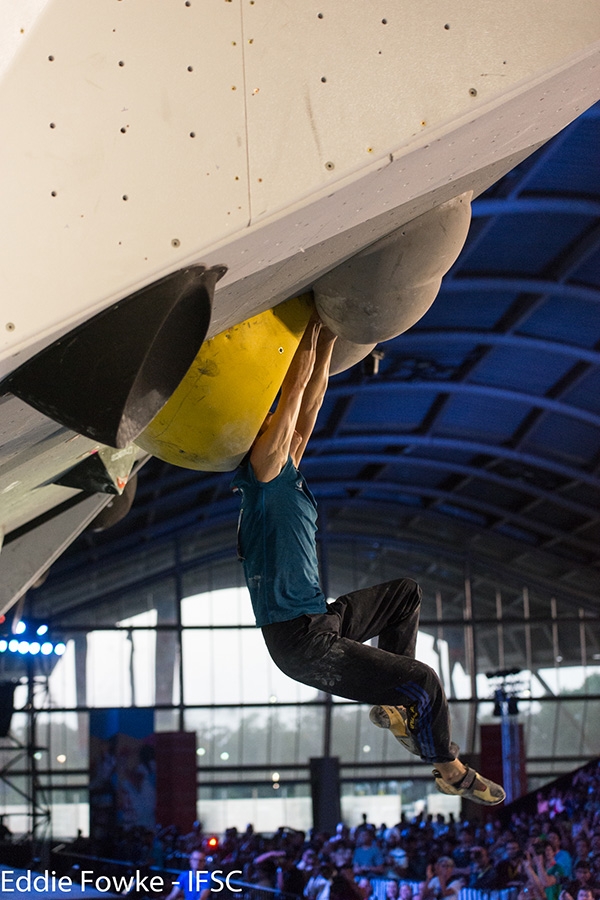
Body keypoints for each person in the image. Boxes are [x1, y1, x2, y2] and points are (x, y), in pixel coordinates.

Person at [232, 312, 505, 805]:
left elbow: (310, 406)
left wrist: (327, 336)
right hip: (299, 643)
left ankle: (390, 706)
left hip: (320, 622)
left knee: (405, 594)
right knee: (423, 681)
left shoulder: (290, 471)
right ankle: (447, 766)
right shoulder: (263, 477)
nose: (289, 436)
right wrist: (304, 337)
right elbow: (291, 402)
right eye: (277, 431)